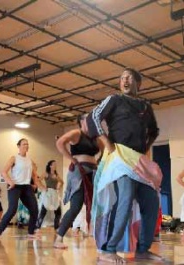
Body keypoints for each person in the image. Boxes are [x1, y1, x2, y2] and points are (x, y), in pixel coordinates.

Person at [86, 68, 163, 263]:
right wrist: (107, 143)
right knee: (125, 197)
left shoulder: (145, 106)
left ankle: (143, 250)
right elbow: (93, 117)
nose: (124, 80)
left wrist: (145, 148)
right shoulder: (114, 99)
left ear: (138, 83)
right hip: (119, 156)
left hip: (137, 159)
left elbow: (154, 131)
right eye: (121, 78)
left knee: (151, 202)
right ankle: (108, 250)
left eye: (129, 77)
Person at [54, 114, 101, 249]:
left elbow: (104, 148)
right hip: (79, 172)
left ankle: (99, 236)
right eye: (88, 120)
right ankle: (59, 238)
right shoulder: (76, 133)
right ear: (81, 122)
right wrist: (71, 158)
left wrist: (99, 162)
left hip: (93, 172)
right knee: (76, 207)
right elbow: (59, 143)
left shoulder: (95, 137)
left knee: (96, 205)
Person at [0, 138, 45, 239]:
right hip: (15, 186)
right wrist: (10, 182)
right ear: (19, 146)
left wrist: (37, 185)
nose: (26, 146)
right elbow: (4, 172)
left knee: (34, 209)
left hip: (26, 187)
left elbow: (34, 175)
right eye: (24, 144)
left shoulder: (30, 161)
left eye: (27, 144)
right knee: (12, 209)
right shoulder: (14, 158)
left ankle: (31, 233)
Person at [36, 160, 63, 231]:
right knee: (44, 210)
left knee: (58, 211)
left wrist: (58, 187)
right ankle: (37, 227)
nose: (55, 165)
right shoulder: (46, 173)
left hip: (54, 193)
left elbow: (62, 182)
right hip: (48, 193)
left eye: (55, 164)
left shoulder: (56, 175)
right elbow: (38, 180)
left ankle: (56, 227)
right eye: (53, 164)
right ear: (50, 165)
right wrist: (42, 187)